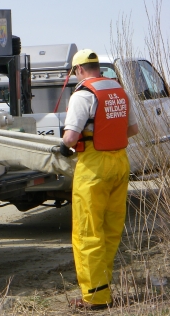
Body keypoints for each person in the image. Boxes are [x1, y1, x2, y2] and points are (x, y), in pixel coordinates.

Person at [60, 49, 139, 309]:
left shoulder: (83, 95)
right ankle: (103, 287)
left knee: (87, 233)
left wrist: (63, 148)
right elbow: (133, 130)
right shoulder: (119, 91)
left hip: (94, 167)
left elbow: (70, 138)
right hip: (120, 162)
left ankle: (94, 297)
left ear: (79, 70)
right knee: (109, 231)